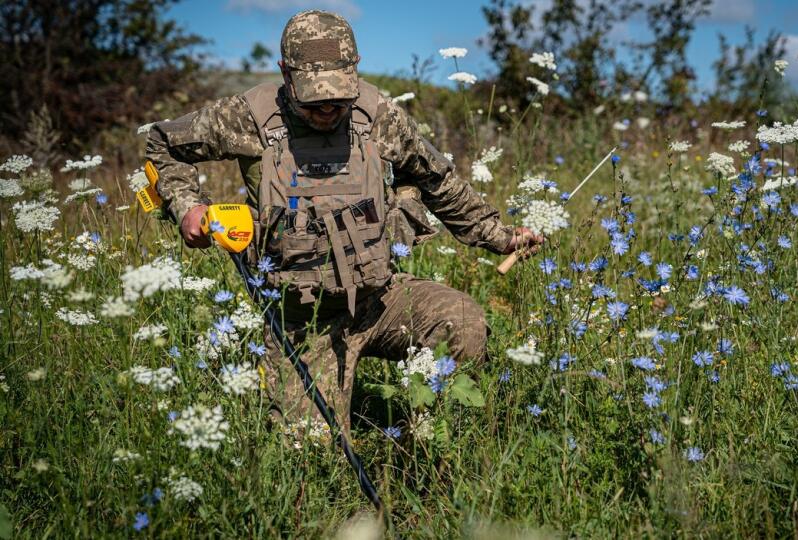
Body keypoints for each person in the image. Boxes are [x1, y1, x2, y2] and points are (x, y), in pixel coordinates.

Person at [145, 9, 542, 433]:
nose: (329, 107)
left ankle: (428, 440)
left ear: (355, 70)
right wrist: (188, 205)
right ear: (285, 73)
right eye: (315, 98)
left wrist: (501, 236)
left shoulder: (377, 116)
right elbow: (164, 144)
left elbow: (437, 180)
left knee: (462, 322)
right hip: (301, 318)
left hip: (380, 298)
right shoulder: (250, 117)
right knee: (309, 457)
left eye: (340, 94)